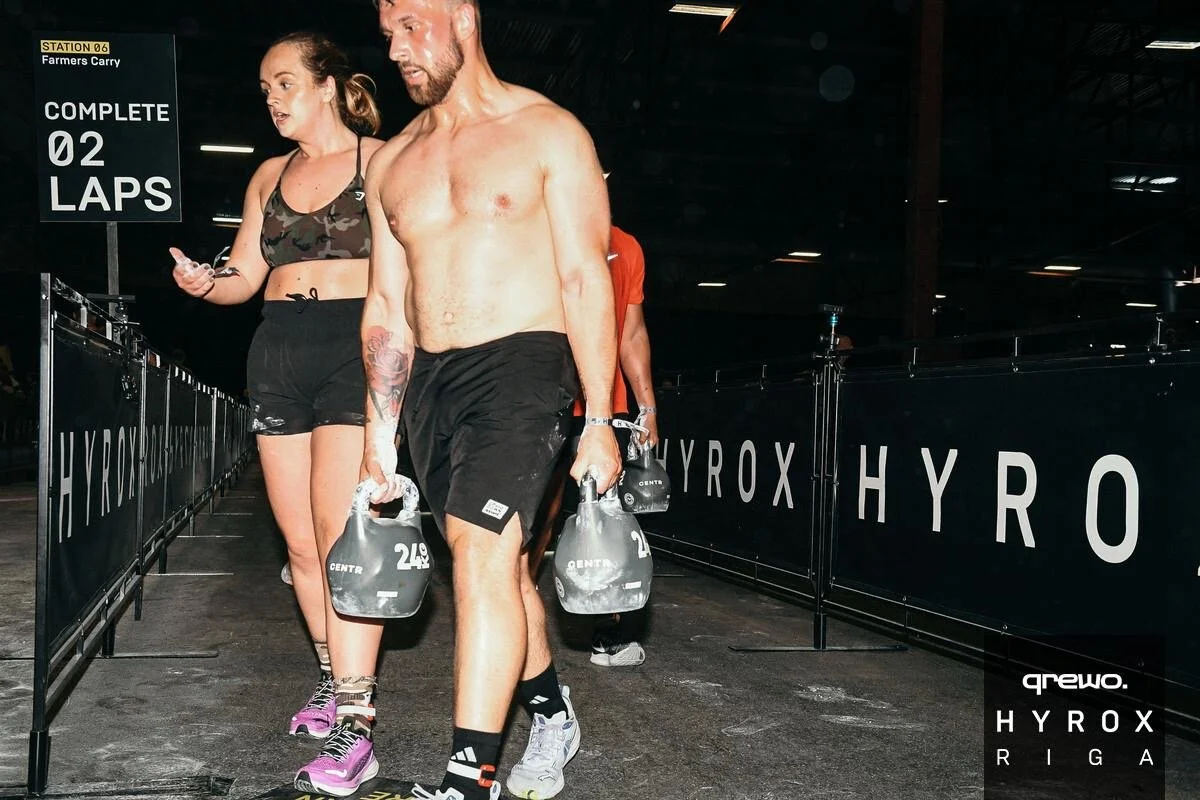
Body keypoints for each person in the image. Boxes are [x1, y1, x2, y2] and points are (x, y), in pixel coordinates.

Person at [362, 1, 621, 798]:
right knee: (496, 572)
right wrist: (379, 440)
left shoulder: (550, 132)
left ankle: (464, 780)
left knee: (479, 557)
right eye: (389, 33)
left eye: (412, 26)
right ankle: (551, 711)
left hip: (526, 363)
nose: (398, 48)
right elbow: (386, 310)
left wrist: (602, 421)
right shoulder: (392, 163)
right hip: (433, 385)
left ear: (463, 18)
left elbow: (586, 278)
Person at [168, 31, 390, 796]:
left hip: (353, 346)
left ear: (328, 85)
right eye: (266, 88)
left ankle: (358, 725)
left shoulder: (380, 161)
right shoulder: (269, 174)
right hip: (278, 350)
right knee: (299, 546)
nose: (273, 99)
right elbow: (243, 275)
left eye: (286, 83)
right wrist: (206, 283)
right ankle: (332, 681)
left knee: (341, 538)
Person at [528, 224, 661, 668]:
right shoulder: (530, 230)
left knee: (607, 522)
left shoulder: (626, 244)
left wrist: (647, 408)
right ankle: (514, 624)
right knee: (530, 520)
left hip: (607, 407)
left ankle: (610, 636)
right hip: (537, 399)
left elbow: (633, 333)